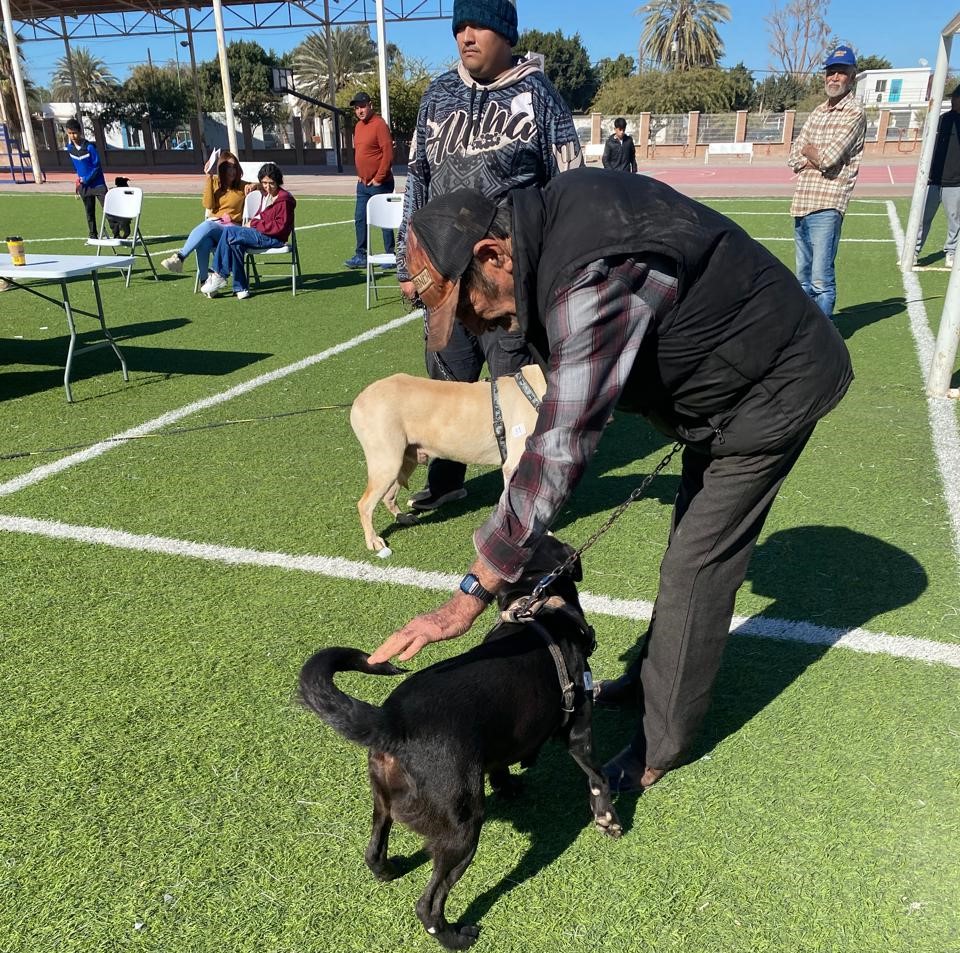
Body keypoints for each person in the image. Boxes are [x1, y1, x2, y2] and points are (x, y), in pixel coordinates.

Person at [368, 168, 853, 795]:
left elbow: (561, 445)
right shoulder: (542, 230)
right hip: (726, 390)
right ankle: (656, 676)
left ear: (493, 256)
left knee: (697, 565)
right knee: (689, 542)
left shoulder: (591, 275)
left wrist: (468, 598)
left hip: (775, 385)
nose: (474, 325)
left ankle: (659, 745)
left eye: (468, 305)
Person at [396, 0, 584, 513]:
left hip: (510, 286)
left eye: (477, 25)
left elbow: (571, 185)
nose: (465, 36)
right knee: (446, 377)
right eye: (459, 26)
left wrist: (555, 273)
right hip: (447, 281)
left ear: (505, 32)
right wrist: (407, 265)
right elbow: (417, 180)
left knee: (516, 386)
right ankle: (447, 478)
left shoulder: (538, 94)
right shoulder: (437, 94)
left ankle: (522, 488)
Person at [787, 44, 866, 319]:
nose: (834, 78)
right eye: (830, 72)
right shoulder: (818, 111)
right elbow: (793, 155)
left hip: (827, 204)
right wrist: (811, 155)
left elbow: (829, 158)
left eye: (840, 72)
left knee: (821, 280)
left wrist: (810, 152)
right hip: (802, 202)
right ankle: (803, 332)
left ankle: (823, 337)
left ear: (851, 76)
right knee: (801, 279)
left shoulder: (854, 113)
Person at [199, 163, 295, 300]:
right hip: (260, 233)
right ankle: (241, 288)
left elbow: (280, 227)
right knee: (235, 244)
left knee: (229, 232)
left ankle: (219, 273)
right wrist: (252, 222)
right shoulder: (267, 194)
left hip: (273, 238)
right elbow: (261, 208)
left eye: (271, 183)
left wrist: (253, 224)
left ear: (278, 181)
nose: (268, 186)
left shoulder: (284, 200)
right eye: (265, 183)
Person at [160, 151, 249, 282]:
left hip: (232, 230)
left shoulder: (242, 185)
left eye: (234, 166)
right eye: (229, 167)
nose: (232, 171)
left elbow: (262, 187)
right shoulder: (214, 182)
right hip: (215, 228)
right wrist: (208, 177)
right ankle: (205, 282)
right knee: (204, 243)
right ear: (222, 169)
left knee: (208, 224)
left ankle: (180, 257)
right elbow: (208, 204)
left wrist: (255, 185)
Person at [344, 91, 396, 270]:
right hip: (363, 184)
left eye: (362, 106)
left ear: (370, 105)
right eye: (357, 108)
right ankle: (361, 255)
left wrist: (378, 178)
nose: (360, 110)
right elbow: (361, 153)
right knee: (359, 218)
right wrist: (360, 173)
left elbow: (388, 154)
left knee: (384, 220)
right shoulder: (358, 127)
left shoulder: (379, 125)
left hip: (380, 183)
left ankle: (390, 254)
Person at [914, 84, 960, 269]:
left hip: (955, 182)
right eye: (953, 97)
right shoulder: (942, 120)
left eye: (956, 97)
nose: (953, 100)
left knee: (954, 219)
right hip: (933, 180)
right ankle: (913, 251)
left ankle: (951, 252)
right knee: (922, 217)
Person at [64, 118, 127, 240]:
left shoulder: (89, 147)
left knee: (108, 210)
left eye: (75, 132)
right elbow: (77, 167)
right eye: (70, 133)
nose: (73, 135)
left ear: (80, 132)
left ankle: (117, 235)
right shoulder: (69, 148)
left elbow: (97, 167)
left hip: (98, 185)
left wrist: (86, 179)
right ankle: (92, 235)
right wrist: (79, 181)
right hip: (84, 187)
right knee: (89, 212)